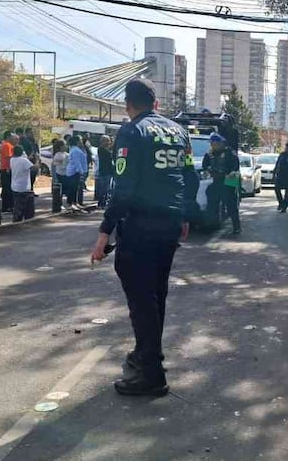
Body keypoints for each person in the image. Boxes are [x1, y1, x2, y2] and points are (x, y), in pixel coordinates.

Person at [89, 79, 199, 397]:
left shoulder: (131, 131)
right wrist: (185, 215)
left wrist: (103, 232)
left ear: (128, 105)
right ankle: (146, 353)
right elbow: (188, 176)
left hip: (140, 228)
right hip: (168, 229)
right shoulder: (179, 132)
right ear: (156, 104)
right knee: (155, 296)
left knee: (141, 300)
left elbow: (123, 188)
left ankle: (151, 373)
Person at [202, 134, 241, 234]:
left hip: (228, 180)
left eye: (214, 143)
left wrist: (232, 172)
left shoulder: (229, 153)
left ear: (220, 143)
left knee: (231, 204)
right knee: (211, 203)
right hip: (216, 180)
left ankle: (236, 227)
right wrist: (207, 170)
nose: (213, 145)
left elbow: (235, 165)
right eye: (211, 144)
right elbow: (205, 165)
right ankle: (210, 225)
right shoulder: (210, 154)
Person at [10, 145, 34, 222]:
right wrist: (37, 161)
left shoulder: (12, 160)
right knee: (27, 208)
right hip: (23, 187)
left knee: (17, 205)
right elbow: (34, 168)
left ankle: (16, 220)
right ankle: (24, 221)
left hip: (15, 186)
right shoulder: (23, 161)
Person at [65, 135, 88, 207]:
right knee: (73, 188)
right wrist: (81, 172)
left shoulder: (76, 149)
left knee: (75, 188)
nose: (81, 141)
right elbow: (77, 162)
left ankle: (73, 202)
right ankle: (70, 203)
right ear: (77, 141)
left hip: (75, 171)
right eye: (80, 140)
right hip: (74, 172)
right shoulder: (76, 150)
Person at [96, 135, 115, 209]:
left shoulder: (105, 149)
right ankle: (101, 203)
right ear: (103, 141)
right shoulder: (101, 150)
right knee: (104, 189)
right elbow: (110, 154)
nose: (108, 142)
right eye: (107, 141)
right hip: (104, 171)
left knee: (106, 189)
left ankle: (103, 203)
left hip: (108, 171)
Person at [0, 131, 15, 212]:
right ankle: (7, 206)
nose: (13, 138)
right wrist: (9, 168)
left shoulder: (8, 145)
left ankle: (7, 206)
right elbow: (8, 157)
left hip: (5, 168)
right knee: (7, 188)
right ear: (8, 136)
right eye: (12, 136)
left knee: (7, 188)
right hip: (6, 169)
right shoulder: (6, 145)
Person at [51, 139, 69, 204]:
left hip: (65, 174)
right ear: (61, 146)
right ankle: (59, 204)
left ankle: (62, 203)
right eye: (65, 145)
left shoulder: (66, 154)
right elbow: (56, 163)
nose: (66, 146)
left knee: (64, 191)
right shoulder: (58, 154)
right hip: (60, 174)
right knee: (60, 191)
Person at [23, 128, 40, 193]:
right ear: (26, 133)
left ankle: (31, 189)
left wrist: (38, 158)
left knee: (33, 176)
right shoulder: (24, 141)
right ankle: (27, 190)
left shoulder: (33, 141)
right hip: (28, 160)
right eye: (30, 132)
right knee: (28, 176)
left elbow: (36, 150)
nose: (32, 134)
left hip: (34, 160)